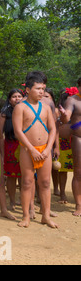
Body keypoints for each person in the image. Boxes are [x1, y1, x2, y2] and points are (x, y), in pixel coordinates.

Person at [12, 73, 57, 228]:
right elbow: (18, 131)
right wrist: (31, 149)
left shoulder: (46, 107)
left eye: (43, 89)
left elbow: (52, 129)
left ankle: (45, 215)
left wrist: (48, 148)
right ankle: (26, 216)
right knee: (27, 182)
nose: (41, 92)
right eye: (38, 88)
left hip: (45, 150)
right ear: (28, 90)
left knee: (45, 182)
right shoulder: (20, 107)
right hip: (27, 149)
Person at [59, 78, 81, 216]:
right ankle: (79, 205)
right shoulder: (72, 100)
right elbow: (66, 117)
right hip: (79, 139)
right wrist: (65, 115)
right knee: (79, 173)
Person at [0, 89, 24, 210]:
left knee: (24, 176)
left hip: (24, 145)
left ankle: (25, 201)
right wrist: (1, 152)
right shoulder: (5, 113)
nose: (17, 98)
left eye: (19, 96)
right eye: (14, 96)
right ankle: (12, 201)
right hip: (10, 145)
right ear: (9, 99)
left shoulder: (27, 110)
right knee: (11, 175)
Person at [55, 88, 77, 204]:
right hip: (63, 145)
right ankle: (62, 193)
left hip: (76, 144)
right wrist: (56, 147)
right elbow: (56, 130)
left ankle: (77, 196)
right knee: (62, 171)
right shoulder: (59, 114)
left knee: (78, 172)